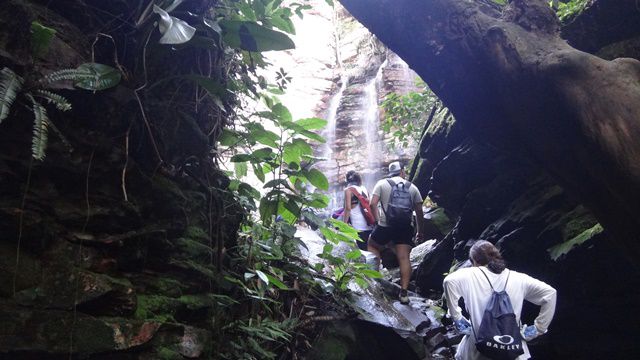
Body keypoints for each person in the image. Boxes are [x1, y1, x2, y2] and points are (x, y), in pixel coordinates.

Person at [443, 240, 557, 360]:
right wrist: (538, 329)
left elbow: (448, 281)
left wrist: (457, 318)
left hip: (476, 352)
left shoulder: (469, 275)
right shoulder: (519, 278)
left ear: (474, 261)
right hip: (512, 351)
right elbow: (550, 294)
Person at [369, 161, 424, 304]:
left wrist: (376, 221)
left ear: (390, 172)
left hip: (385, 226)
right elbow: (419, 211)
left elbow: (372, 203)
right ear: (402, 172)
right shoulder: (413, 188)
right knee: (404, 258)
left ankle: (374, 279)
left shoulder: (381, 183)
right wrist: (420, 231)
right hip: (405, 227)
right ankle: (404, 293)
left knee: (373, 245)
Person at [342, 170, 373, 251]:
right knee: (369, 251)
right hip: (369, 226)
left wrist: (344, 226)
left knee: (362, 253)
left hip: (358, 228)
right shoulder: (364, 189)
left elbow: (348, 208)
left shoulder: (348, 190)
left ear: (347, 180)